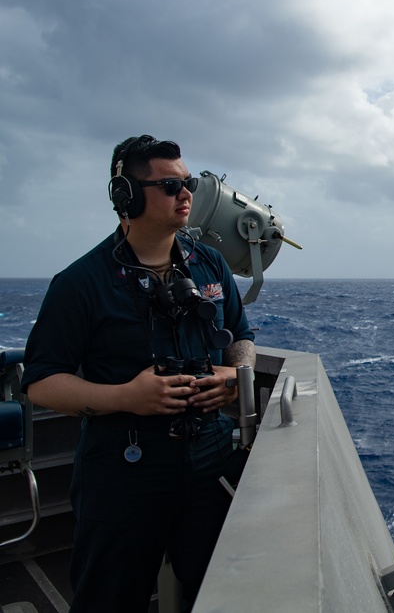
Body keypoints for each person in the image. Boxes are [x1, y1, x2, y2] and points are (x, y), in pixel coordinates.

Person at [21, 135, 256, 612]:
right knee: (110, 599)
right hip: (123, 473)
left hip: (210, 461)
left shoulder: (210, 264)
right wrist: (127, 397)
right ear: (126, 195)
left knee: (218, 595)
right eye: (170, 186)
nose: (185, 194)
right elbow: (41, 383)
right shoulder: (80, 283)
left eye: (188, 183)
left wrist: (235, 377)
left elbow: (241, 337)